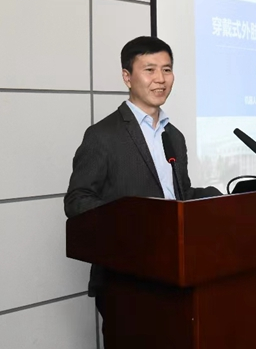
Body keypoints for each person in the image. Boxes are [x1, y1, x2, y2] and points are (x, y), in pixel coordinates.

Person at [64, 36, 221, 325]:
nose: (160, 79)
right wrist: (132, 218)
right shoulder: (102, 135)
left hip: (174, 273)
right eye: (150, 70)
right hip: (126, 280)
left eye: (167, 69)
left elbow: (178, 195)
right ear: (127, 77)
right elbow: (77, 201)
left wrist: (214, 197)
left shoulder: (174, 136)